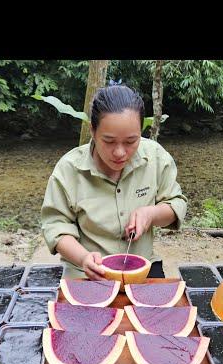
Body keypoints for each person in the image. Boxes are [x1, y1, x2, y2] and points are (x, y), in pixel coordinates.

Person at [40, 84, 188, 280]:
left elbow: (176, 204)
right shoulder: (68, 170)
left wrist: (151, 214)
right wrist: (84, 258)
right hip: (85, 272)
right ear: (93, 131)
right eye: (109, 141)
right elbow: (55, 226)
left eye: (130, 141)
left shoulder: (156, 158)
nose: (119, 153)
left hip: (142, 267)